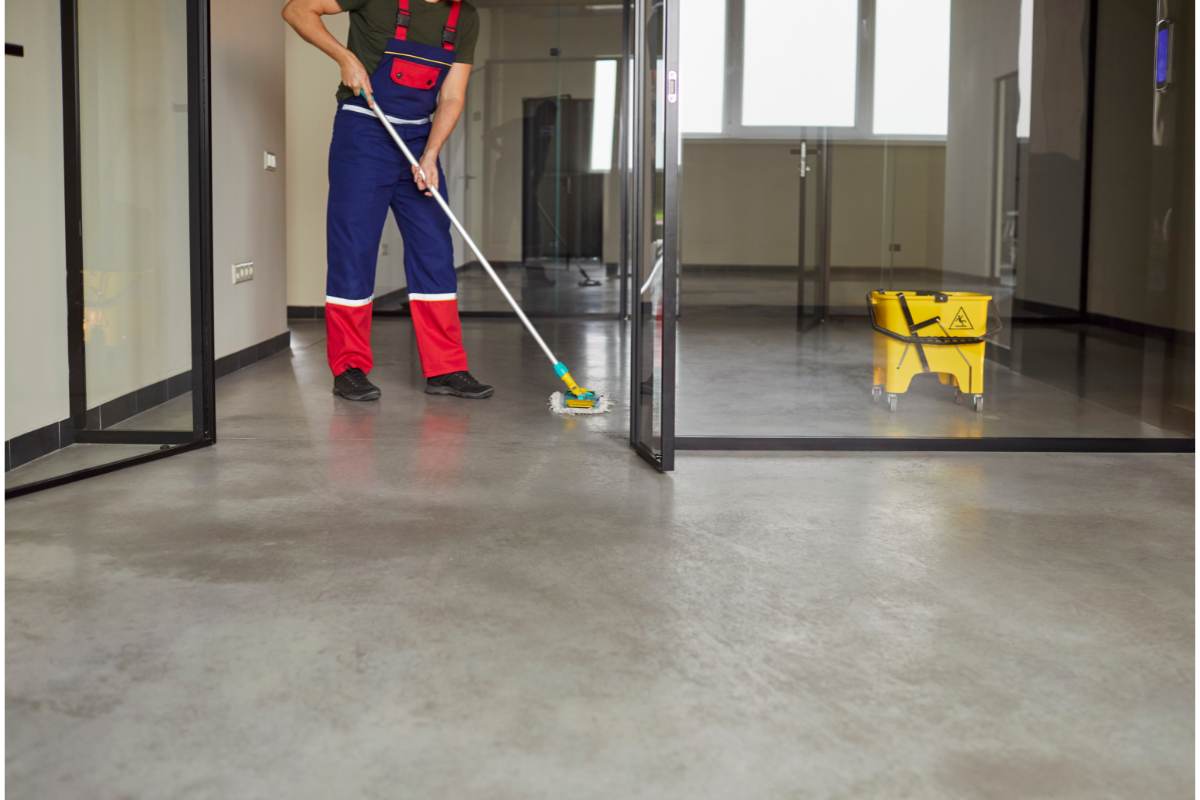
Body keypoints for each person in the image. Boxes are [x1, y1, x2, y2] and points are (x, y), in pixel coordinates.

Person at [282, 0, 493, 401]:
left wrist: (430, 155)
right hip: (364, 131)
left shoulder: (463, 16)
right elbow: (296, 11)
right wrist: (345, 57)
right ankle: (349, 368)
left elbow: (452, 95)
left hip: (417, 139)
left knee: (434, 248)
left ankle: (446, 369)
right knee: (354, 248)